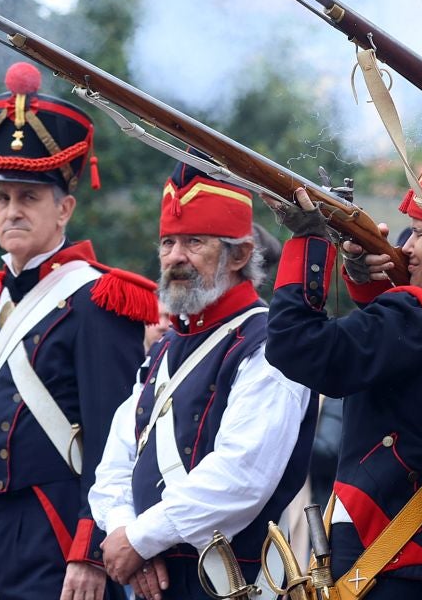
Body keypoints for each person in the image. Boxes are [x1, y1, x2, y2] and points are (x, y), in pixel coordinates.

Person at [0, 64, 157, 600]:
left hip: (50, 530)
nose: (12, 211)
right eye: (1, 198)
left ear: (64, 208)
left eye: (28, 198)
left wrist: (90, 548)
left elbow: (112, 438)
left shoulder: (97, 299)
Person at [263, 141, 422, 599]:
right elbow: (414, 363)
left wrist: (308, 240)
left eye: (418, 233)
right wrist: (368, 283)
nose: (406, 246)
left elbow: (294, 346)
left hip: (386, 560)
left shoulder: (419, 318)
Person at [87, 159, 315, 600]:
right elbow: (115, 466)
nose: (175, 257)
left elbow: (241, 477)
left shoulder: (270, 344)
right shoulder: (165, 350)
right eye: (169, 242)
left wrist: (140, 540)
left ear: (241, 254)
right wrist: (124, 533)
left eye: (194, 242)